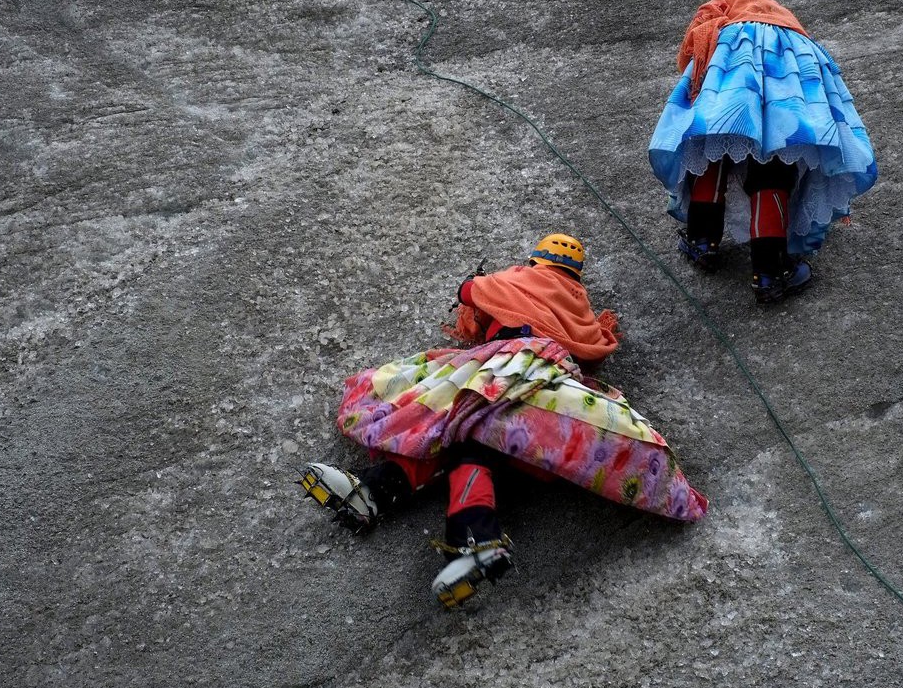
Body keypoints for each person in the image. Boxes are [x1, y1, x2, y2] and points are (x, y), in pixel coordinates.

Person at [298, 234, 708, 608]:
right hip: (548, 393)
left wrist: (480, 286)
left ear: (535, 261)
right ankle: (459, 532)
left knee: (448, 421)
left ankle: (380, 497)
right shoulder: (579, 302)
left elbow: (469, 291)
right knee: (469, 439)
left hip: (505, 364)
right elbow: (594, 349)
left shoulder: (519, 278)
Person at [648, 0, 878, 303]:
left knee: (711, 146)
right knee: (773, 162)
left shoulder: (728, 5)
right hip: (790, 68)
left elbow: (699, 29)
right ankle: (769, 272)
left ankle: (702, 241)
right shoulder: (791, 29)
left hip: (733, 62)